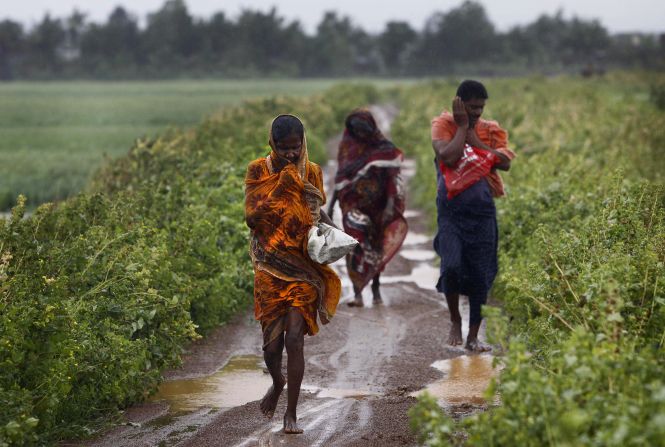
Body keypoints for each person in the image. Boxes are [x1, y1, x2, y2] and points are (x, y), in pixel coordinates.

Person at [244, 114, 341, 434]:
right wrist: (284, 183)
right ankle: (277, 381)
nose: (291, 154)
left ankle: (292, 414)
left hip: (303, 268)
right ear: (272, 143)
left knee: (295, 339)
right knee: (271, 349)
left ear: (303, 144)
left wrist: (336, 233)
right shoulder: (258, 170)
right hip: (269, 267)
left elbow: (313, 208)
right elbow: (252, 217)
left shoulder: (311, 171)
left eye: (296, 147)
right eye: (284, 148)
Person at [431, 80, 515, 352]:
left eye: (481, 107)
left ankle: (473, 335)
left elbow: (505, 163)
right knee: (452, 266)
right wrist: (463, 127)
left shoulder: (490, 130)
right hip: (451, 212)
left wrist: (476, 140)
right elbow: (449, 157)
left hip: (482, 213)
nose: (477, 112)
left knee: (480, 275)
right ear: (459, 103)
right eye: (472, 107)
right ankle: (455, 320)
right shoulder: (444, 125)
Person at [327, 109, 408, 307]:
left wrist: (391, 205)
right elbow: (341, 179)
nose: (361, 134)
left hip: (379, 207)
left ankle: (376, 288)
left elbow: (392, 179)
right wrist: (331, 205)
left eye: (364, 130)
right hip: (351, 205)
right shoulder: (347, 148)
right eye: (357, 131)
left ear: (371, 128)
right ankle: (357, 293)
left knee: (375, 247)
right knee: (355, 246)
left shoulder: (384, 148)